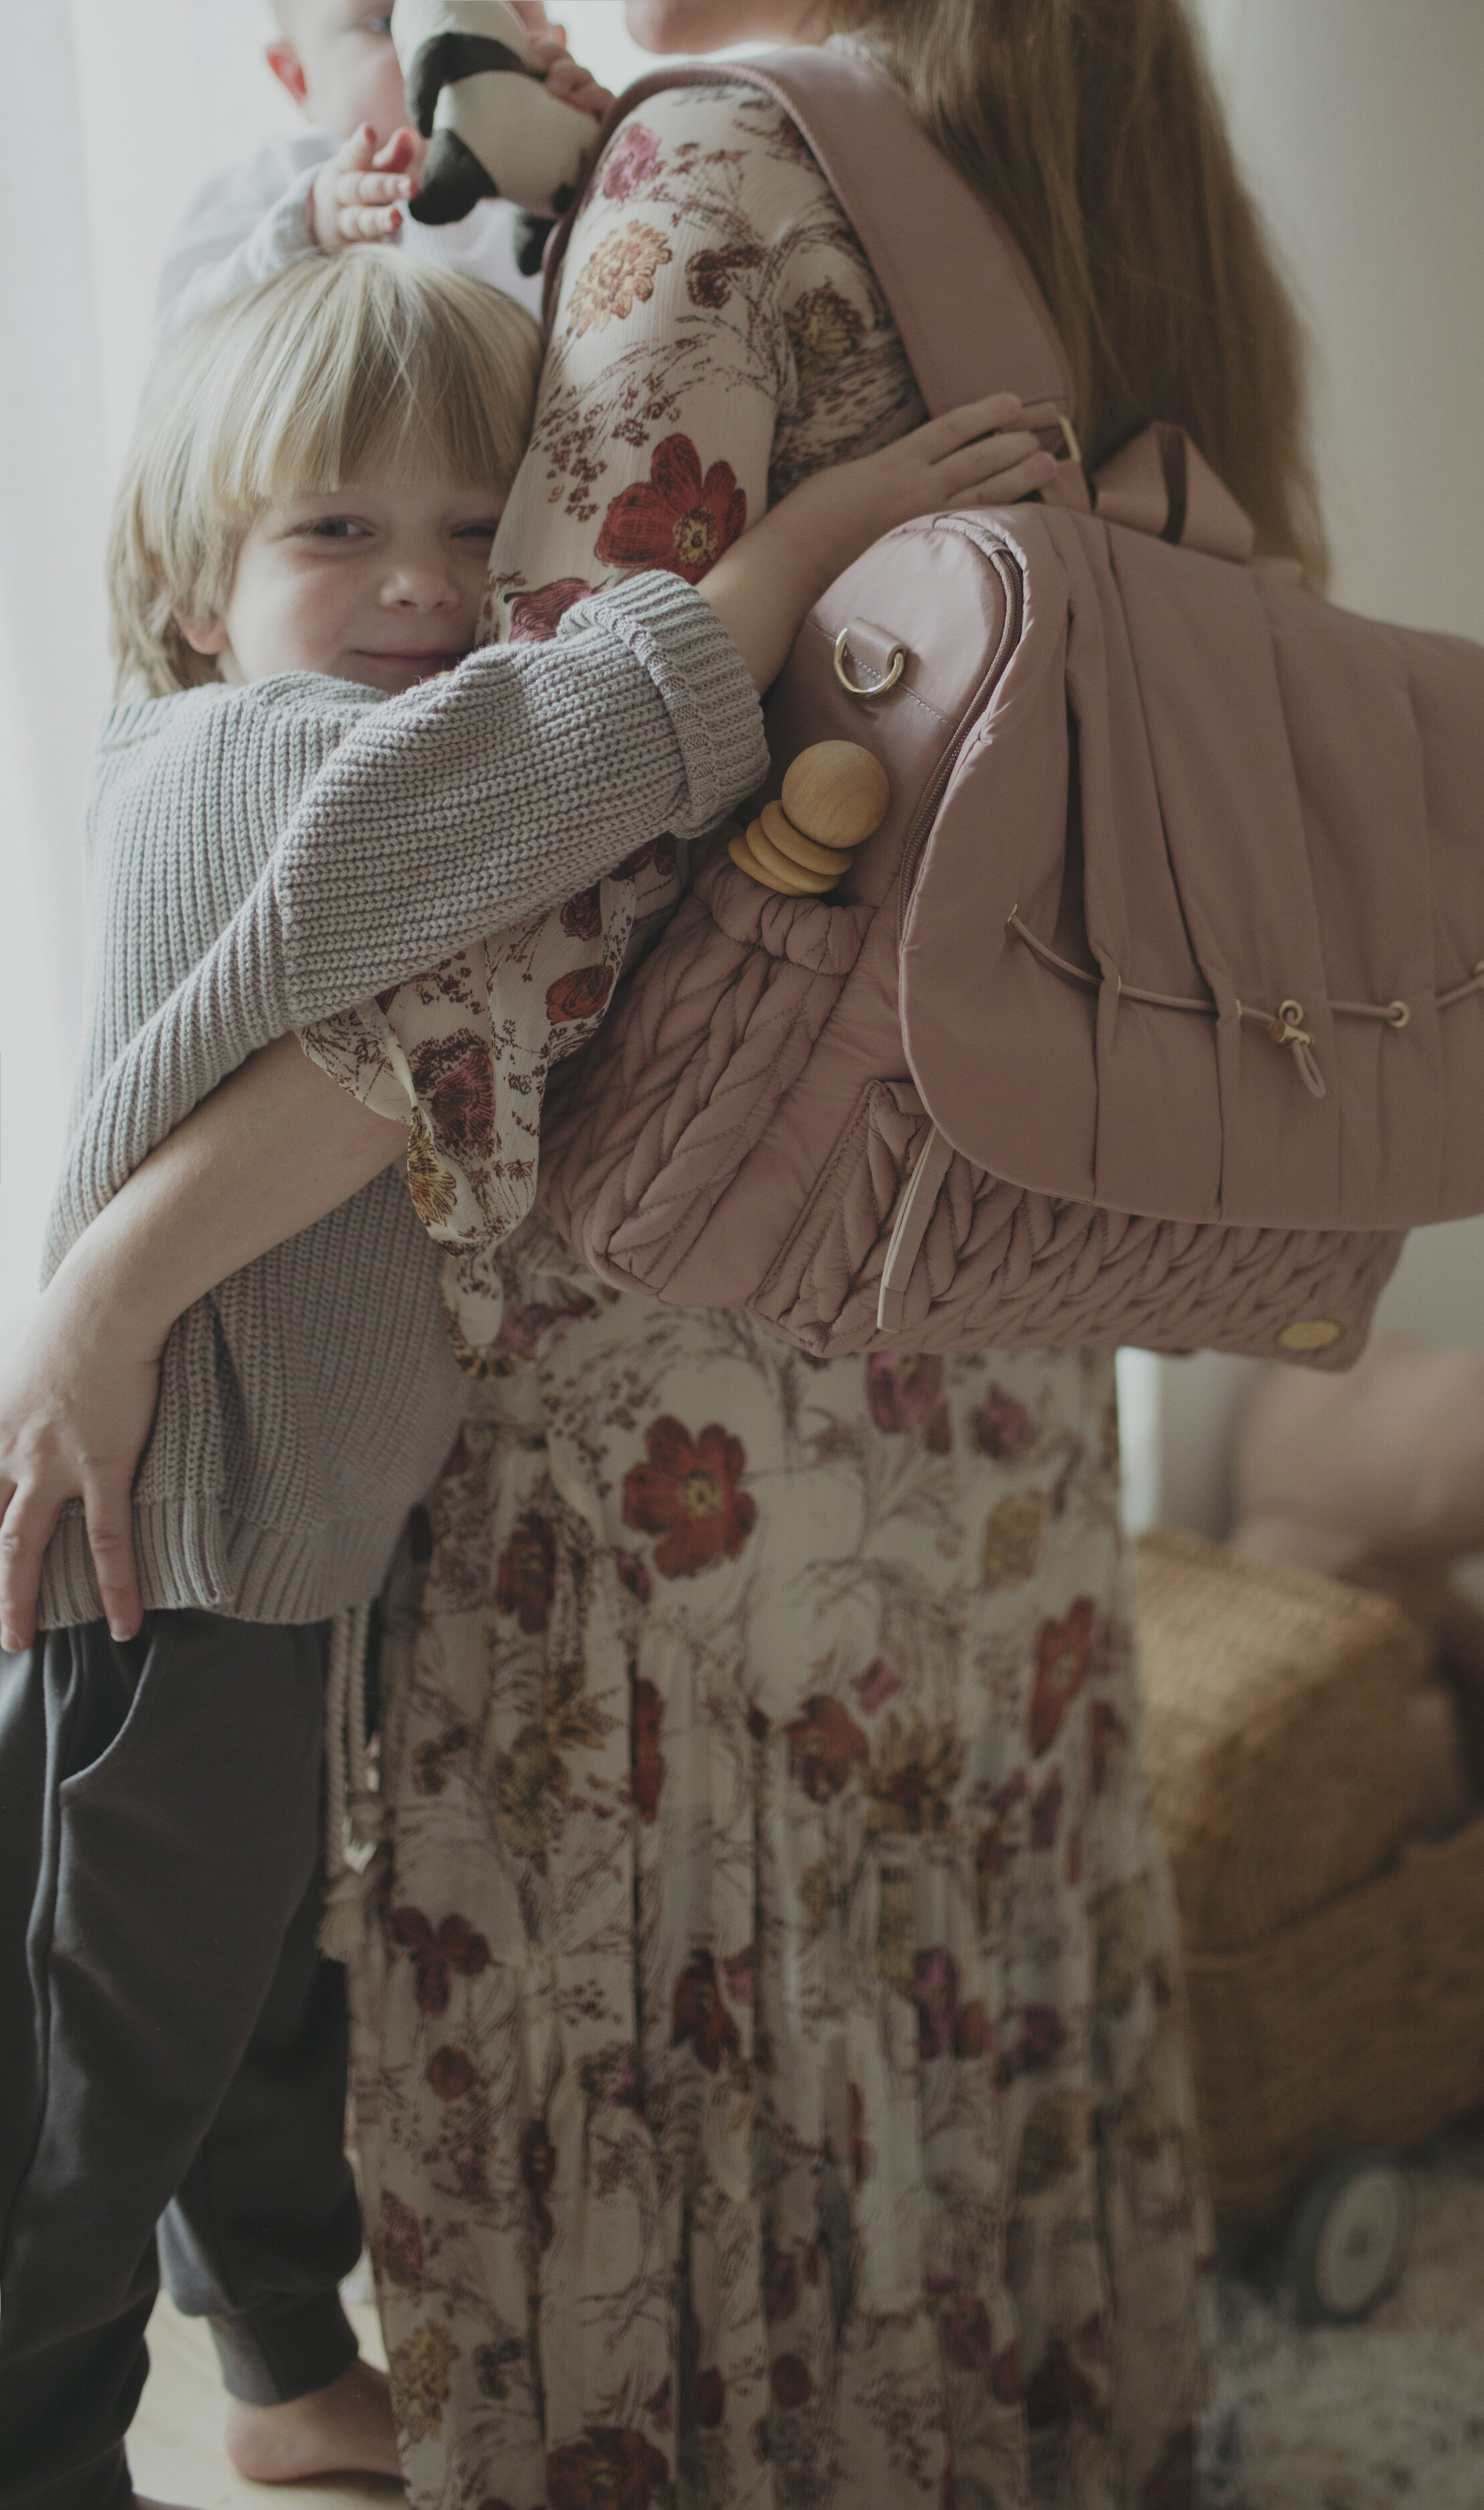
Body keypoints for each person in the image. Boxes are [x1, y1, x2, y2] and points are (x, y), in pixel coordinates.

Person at [0, 240, 1045, 2510]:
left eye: (476, 531)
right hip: (161, 1567)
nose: (418, 583)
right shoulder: (243, 768)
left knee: (262, 2002)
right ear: (190, 594)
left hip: (272, 1543)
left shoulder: (308, 747)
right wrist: (801, 545)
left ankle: (280, 2365)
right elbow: (539, 766)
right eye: (335, 529)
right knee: (102, 2074)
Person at [153, 0, 615, 336]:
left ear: (556, 41)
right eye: (384, 22)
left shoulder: (558, 187)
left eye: (503, 7)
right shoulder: (283, 178)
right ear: (300, 80)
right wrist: (307, 235)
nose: (449, 36)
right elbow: (179, 338)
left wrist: (611, 164)